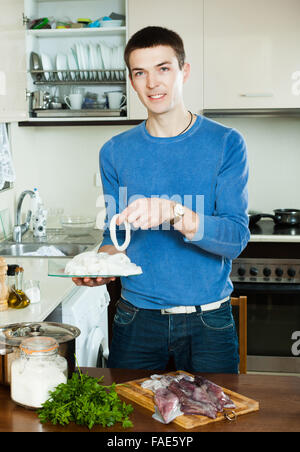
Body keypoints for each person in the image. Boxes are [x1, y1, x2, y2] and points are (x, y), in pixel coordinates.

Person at [73, 26, 250, 373]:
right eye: (141, 72)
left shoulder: (227, 143)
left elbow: (235, 239)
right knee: (129, 422)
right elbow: (115, 238)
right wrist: (99, 267)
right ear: (132, 80)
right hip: (135, 321)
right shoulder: (114, 152)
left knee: (215, 426)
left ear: (184, 70)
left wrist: (173, 211)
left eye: (163, 68)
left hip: (209, 322)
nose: (152, 83)